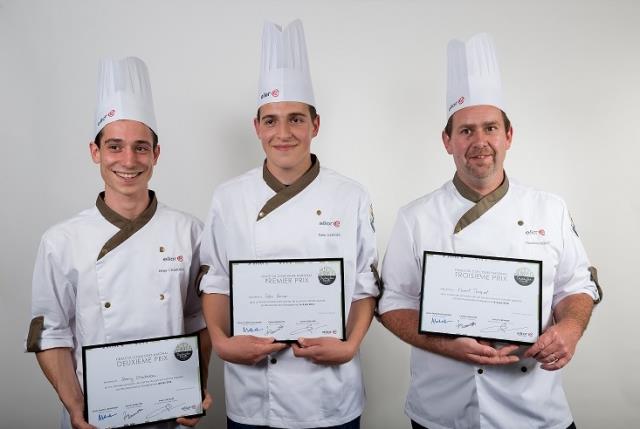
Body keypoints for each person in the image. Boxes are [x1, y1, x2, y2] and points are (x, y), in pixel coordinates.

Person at [378, 33, 602, 429]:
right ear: (447, 141)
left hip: (535, 410)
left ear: (508, 136)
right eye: (465, 131)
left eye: (490, 128)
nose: (479, 142)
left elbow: (577, 286)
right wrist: (444, 343)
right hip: (441, 411)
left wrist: (569, 328)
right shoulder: (415, 217)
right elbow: (391, 301)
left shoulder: (549, 208)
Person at [199, 20, 379, 429]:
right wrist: (224, 343)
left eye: (296, 119)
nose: (283, 133)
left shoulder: (351, 196)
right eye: (271, 120)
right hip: (253, 393)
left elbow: (365, 285)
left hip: (330, 392)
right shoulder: (228, 196)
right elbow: (214, 281)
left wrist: (351, 346)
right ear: (256, 127)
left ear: (315, 125)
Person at [26, 57, 212, 429]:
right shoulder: (61, 240)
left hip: (170, 413)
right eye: (115, 146)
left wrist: (196, 387)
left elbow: (199, 320)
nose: (128, 160)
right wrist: (74, 404)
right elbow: (51, 332)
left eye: (141, 147)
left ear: (156, 155)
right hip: (96, 416)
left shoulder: (190, 231)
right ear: (95, 152)